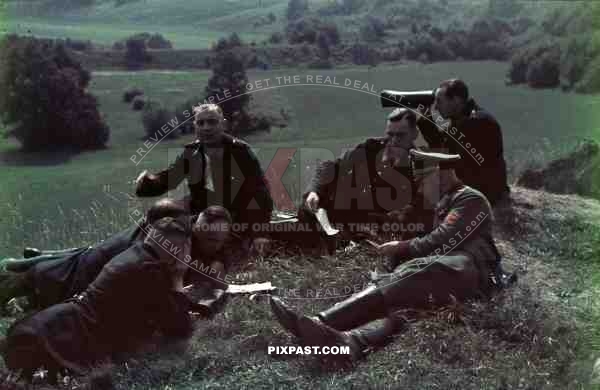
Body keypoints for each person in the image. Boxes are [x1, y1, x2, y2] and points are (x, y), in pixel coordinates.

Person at [269, 150, 505, 360]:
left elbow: (440, 240)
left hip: (471, 271)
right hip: (450, 273)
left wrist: (401, 248)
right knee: (407, 303)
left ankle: (322, 322)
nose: (421, 187)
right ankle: (351, 340)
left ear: (441, 175)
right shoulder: (445, 201)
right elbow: (419, 234)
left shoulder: (469, 199)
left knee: (416, 272)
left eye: (424, 180)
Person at [1, 211, 232, 381]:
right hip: (59, 338)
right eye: (185, 248)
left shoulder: (135, 253)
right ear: (176, 250)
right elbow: (181, 329)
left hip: (50, 322)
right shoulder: (152, 272)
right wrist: (178, 279)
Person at [0, 201, 233, 311]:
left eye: (216, 241)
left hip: (92, 265)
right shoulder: (168, 235)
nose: (209, 244)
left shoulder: (206, 234)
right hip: (90, 270)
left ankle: (33, 263)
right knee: (41, 283)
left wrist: (219, 263)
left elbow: (218, 254)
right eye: (203, 236)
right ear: (197, 223)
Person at [135, 103, 273, 237]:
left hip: (235, 222)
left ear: (223, 124)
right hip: (200, 218)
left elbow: (260, 194)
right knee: (151, 221)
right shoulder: (191, 152)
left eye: (212, 122)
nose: (206, 128)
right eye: (201, 123)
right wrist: (147, 183)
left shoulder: (240, 151)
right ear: (195, 127)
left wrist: (260, 234)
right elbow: (170, 179)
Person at [298, 107, 432, 246]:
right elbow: (331, 166)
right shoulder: (372, 147)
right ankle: (334, 238)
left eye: (400, 135)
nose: (393, 140)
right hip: (354, 213)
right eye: (390, 134)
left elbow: (415, 207)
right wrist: (315, 191)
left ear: (414, 134)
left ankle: (340, 241)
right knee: (310, 205)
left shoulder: (420, 164)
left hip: (383, 223)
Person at [417, 79, 510, 205]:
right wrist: (426, 120)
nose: (436, 107)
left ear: (456, 100)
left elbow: (447, 157)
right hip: (476, 187)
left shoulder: (477, 122)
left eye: (439, 101)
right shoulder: (462, 119)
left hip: (485, 193)